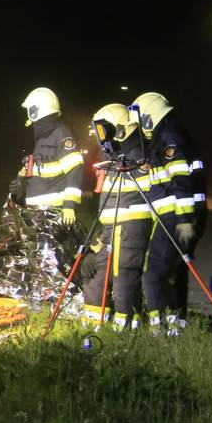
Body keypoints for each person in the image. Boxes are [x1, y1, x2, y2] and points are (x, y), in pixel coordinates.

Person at [132, 92, 208, 335]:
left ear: (148, 117)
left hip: (177, 216)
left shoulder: (169, 139)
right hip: (182, 215)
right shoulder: (168, 136)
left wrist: (184, 221)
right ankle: (176, 327)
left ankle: (159, 329)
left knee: (153, 273)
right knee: (174, 273)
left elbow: (182, 183)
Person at [78, 104, 153, 331]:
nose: (100, 139)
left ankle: (125, 332)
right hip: (111, 231)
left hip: (130, 230)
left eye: (102, 131)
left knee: (124, 281)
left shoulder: (139, 157)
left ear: (118, 128)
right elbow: (107, 209)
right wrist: (92, 248)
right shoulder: (113, 158)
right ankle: (92, 330)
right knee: (94, 278)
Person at [14, 87, 83, 222]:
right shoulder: (41, 137)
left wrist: (69, 205)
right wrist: (21, 181)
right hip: (35, 210)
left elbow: (75, 168)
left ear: (37, 110)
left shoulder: (60, 133)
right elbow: (42, 173)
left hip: (53, 211)